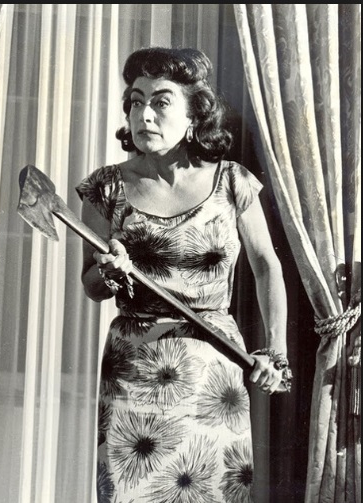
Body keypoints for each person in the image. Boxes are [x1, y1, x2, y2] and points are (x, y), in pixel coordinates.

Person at [76, 46, 291, 503]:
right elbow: (90, 285)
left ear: (194, 115)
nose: (144, 115)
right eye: (136, 101)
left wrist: (276, 352)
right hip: (134, 372)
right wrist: (109, 274)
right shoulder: (105, 188)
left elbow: (266, 266)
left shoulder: (233, 182)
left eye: (161, 102)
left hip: (213, 372)